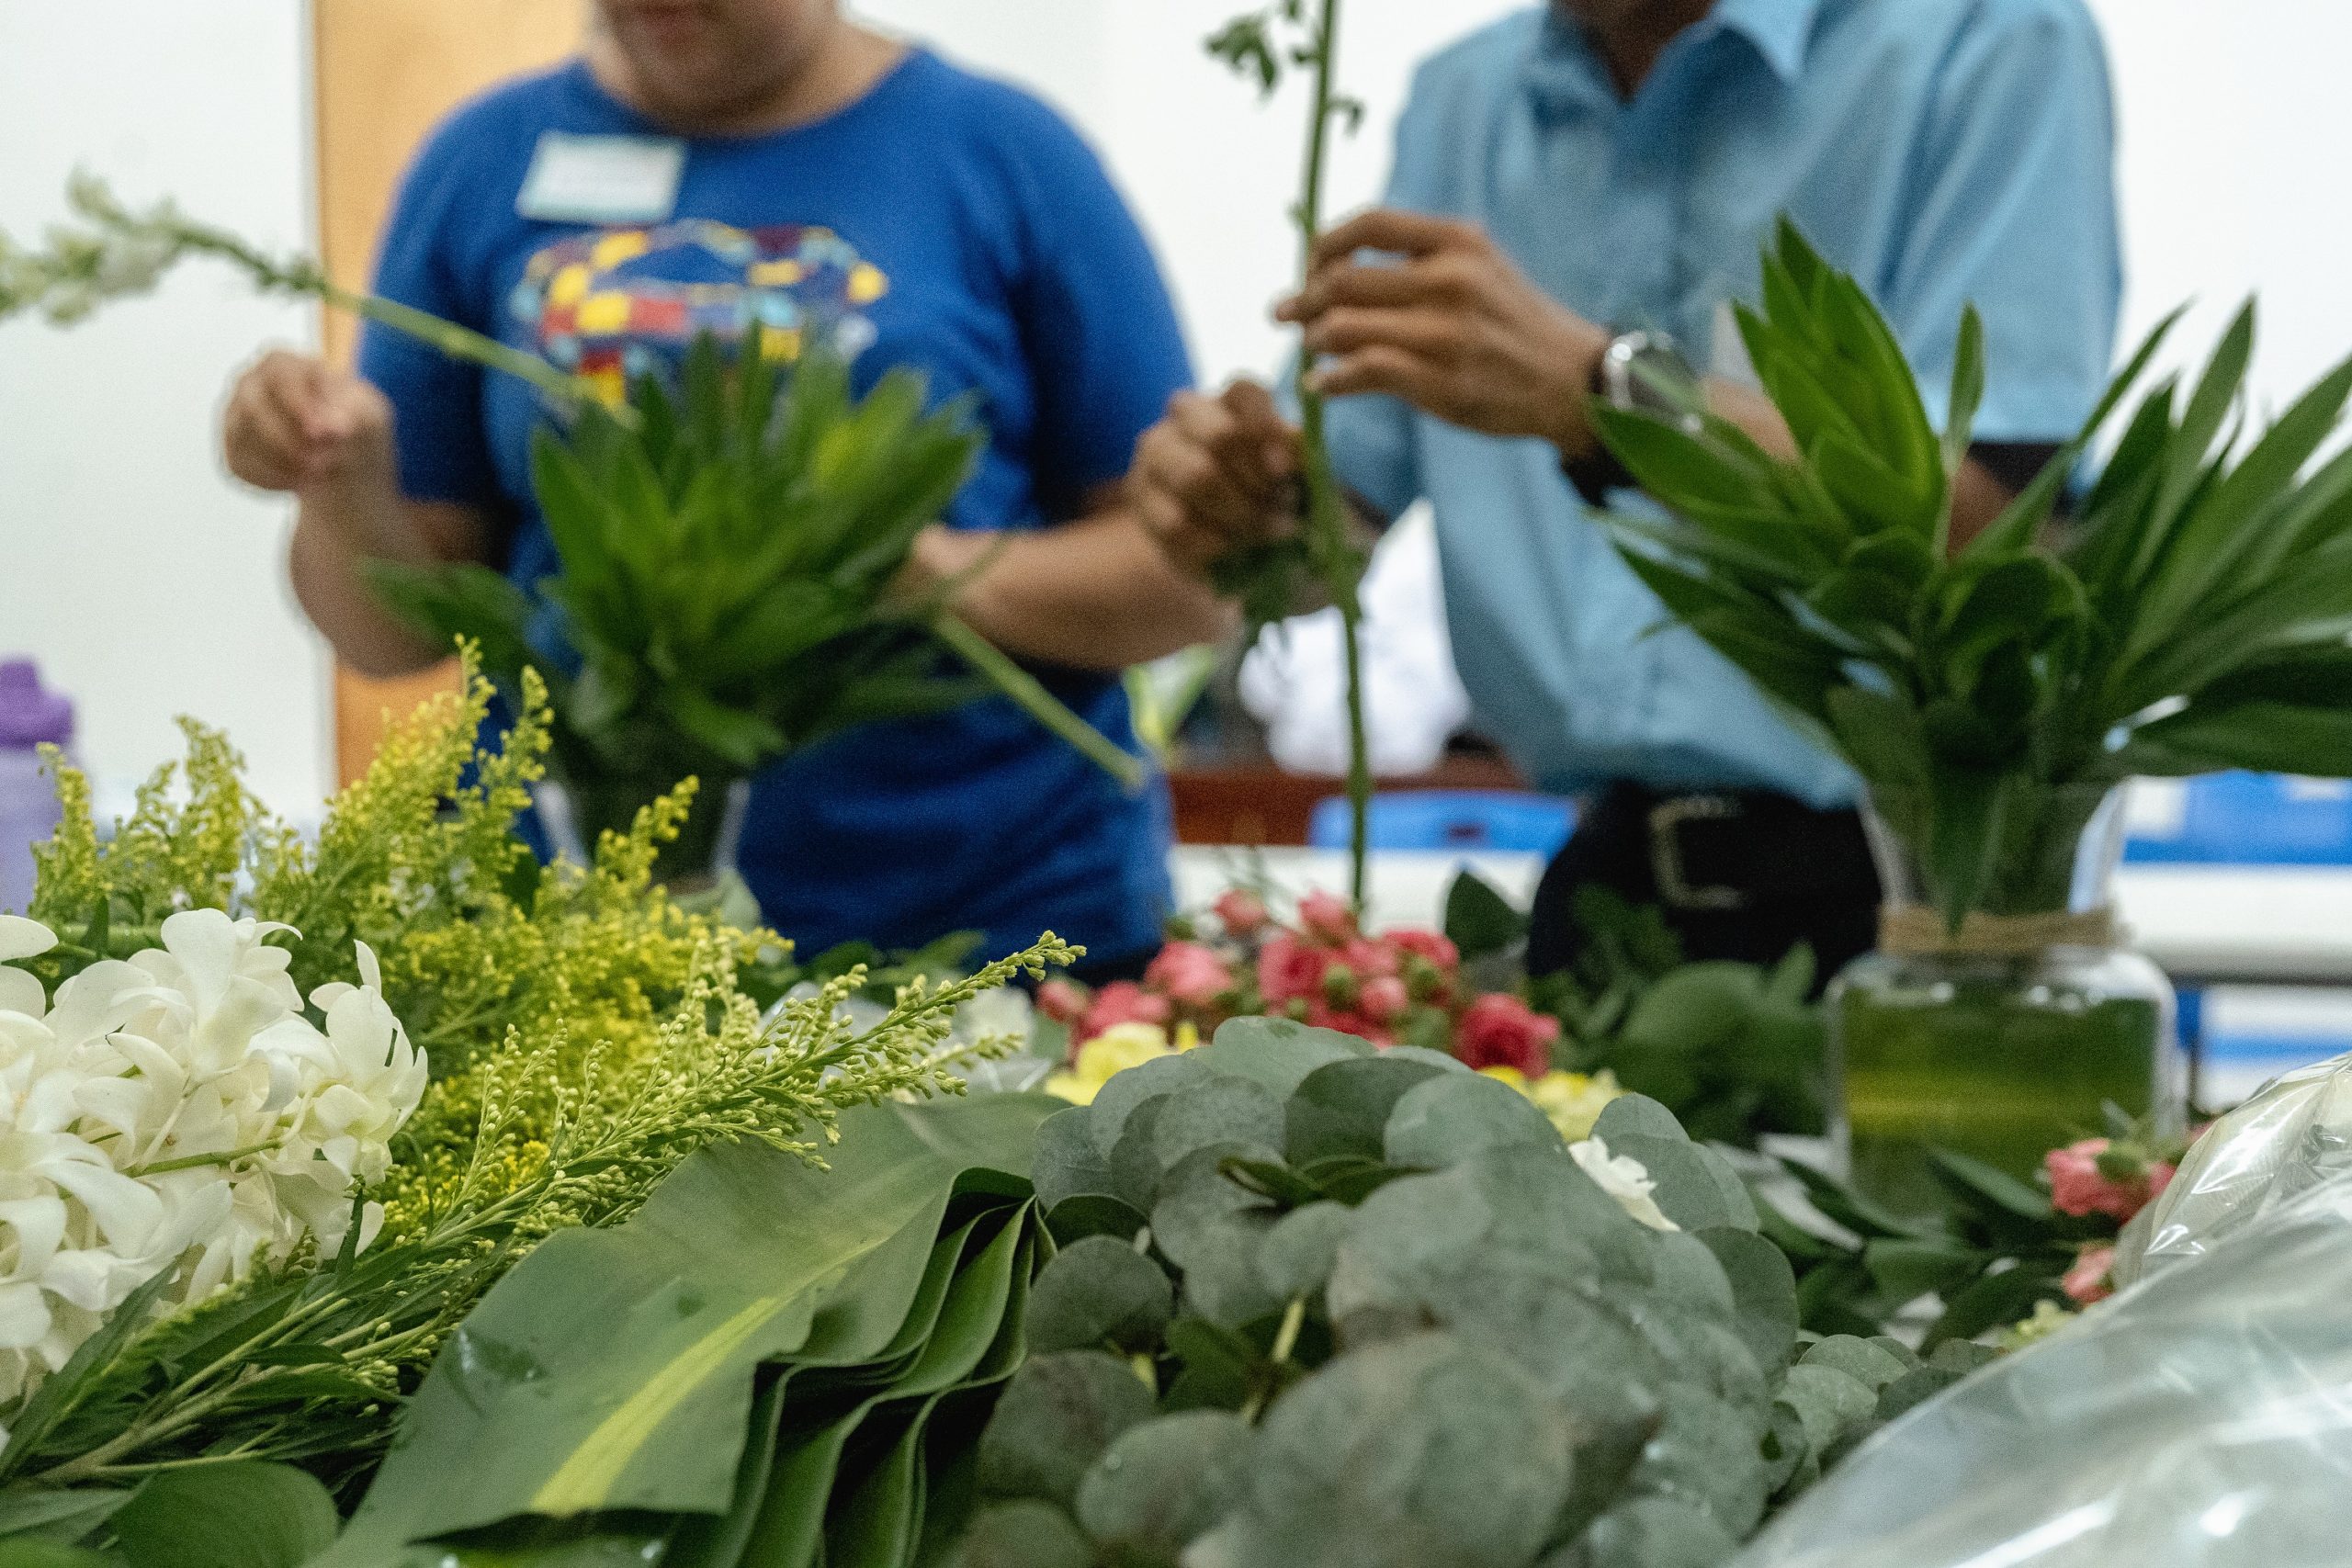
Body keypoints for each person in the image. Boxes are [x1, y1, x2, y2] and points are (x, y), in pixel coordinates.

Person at [220, 0, 1229, 976]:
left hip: (986, 933)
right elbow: (390, 637)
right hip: (574, 938)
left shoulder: (1003, 152)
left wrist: (899, 566)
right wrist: (340, 484)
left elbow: (1188, 581)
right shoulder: (484, 158)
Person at [1129, 0, 2120, 980]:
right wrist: (1238, 511)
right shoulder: (1468, 97)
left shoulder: (1988, 40)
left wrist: (1611, 399)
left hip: (1916, 904)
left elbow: (1989, 530)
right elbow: (1327, 539)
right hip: (1601, 894)